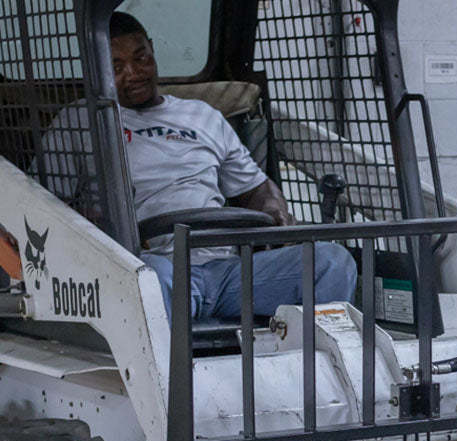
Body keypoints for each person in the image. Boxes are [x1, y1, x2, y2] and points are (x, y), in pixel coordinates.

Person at [39, 12, 356, 323]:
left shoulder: (203, 116)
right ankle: (168, 359)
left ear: (153, 49)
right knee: (148, 283)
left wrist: (273, 207)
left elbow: (256, 189)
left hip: (226, 269)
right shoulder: (79, 122)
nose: (133, 73)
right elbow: (46, 204)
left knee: (331, 262)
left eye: (141, 58)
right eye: (117, 67)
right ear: (97, 69)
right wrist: (99, 227)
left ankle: (313, 356)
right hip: (152, 264)